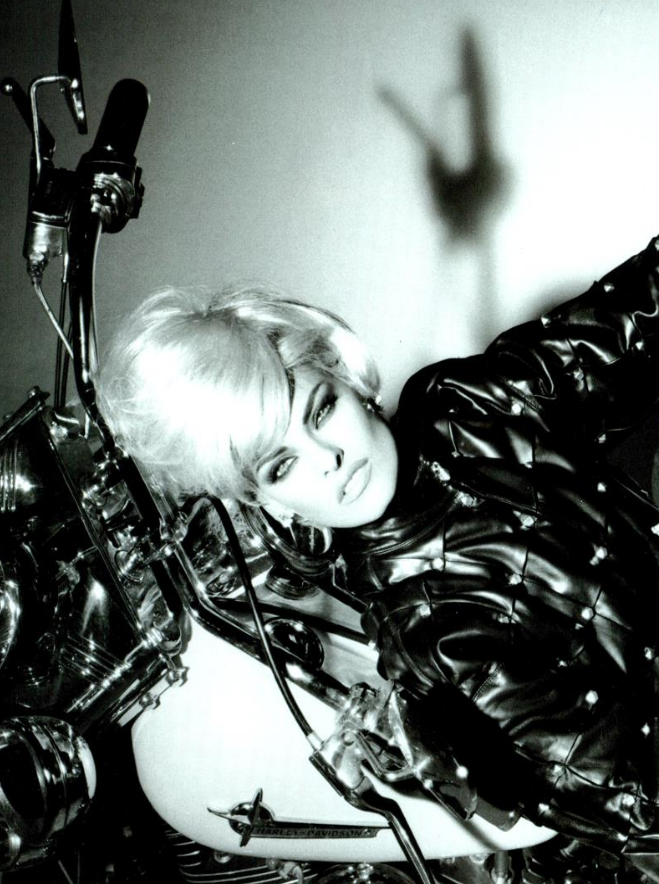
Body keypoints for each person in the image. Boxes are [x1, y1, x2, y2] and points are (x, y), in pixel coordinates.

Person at [97, 239, 659, 881]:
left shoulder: (461, 403)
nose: (328, 459)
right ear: (267, 501)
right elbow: (629, 791)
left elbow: (630, 320)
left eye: (320, 410)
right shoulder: (428, 633)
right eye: (282, 465)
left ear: (344, 374)